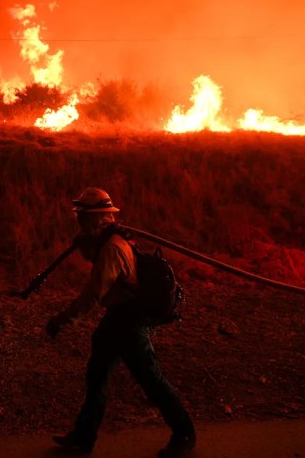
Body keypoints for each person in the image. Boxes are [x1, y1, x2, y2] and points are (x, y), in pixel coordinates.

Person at [46, 187, 196, 457]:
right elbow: (96, 260)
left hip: (129, 321)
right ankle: (83, 436)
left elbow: (94, 294)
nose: (79, 221)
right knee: (97, 375)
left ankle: (184, 433)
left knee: (151, 379)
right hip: (117, 318)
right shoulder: (109, 241)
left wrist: (63, 320)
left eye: (83, 217)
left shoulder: (114, 248)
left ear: (99, 217)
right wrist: (84, 242)